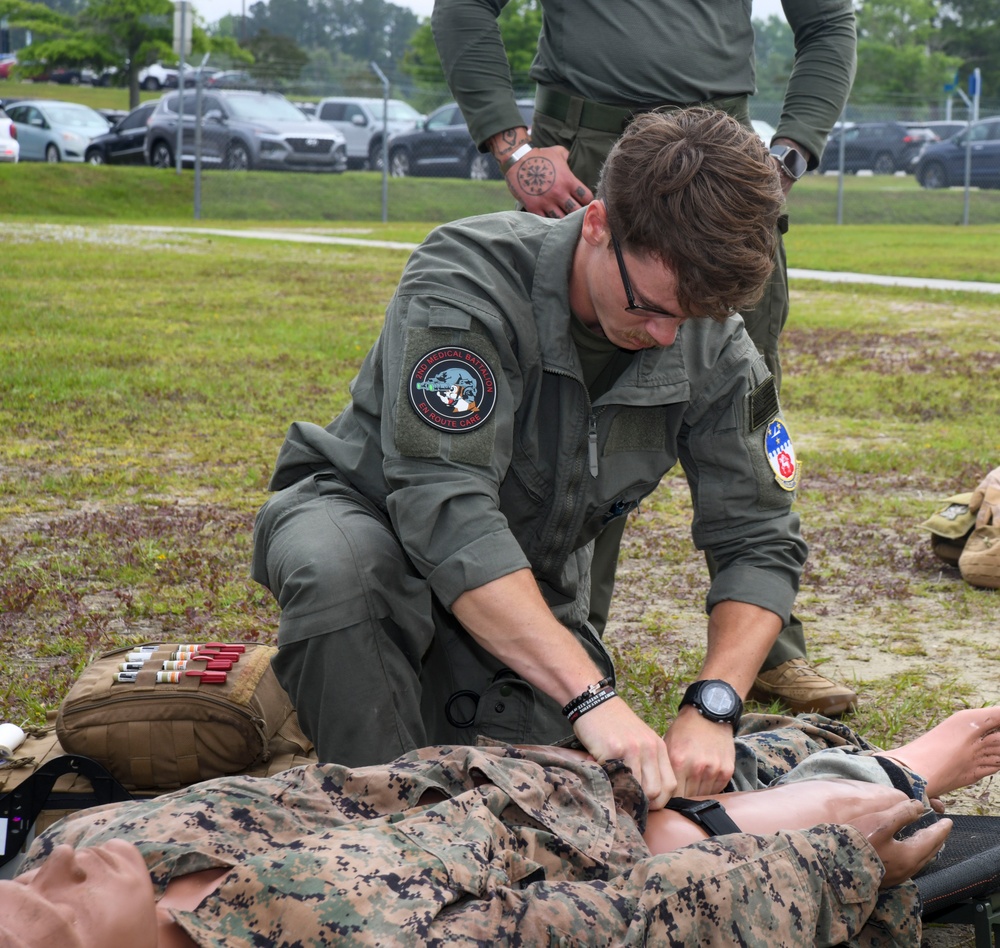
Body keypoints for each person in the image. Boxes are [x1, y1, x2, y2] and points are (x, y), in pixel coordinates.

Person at [252, 107, 799, 807]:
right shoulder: (468, 277)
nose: (668, 338)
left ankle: (335, 709)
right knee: (348, 586)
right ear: (598, 224)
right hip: (368, 518)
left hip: (521, 589)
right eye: (650, 306)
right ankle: (375, 820)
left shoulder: (712, 339)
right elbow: (444, 509)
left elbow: (760, 535)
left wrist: (715, 704)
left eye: (689, 317)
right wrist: (593, 698)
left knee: (545, 798)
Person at [431, 0, 860, 718]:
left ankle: (766, 647)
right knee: (573, 410)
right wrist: (513, 146)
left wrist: (788, 154)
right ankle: (558, 646)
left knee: (740, 404)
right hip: (588, 150)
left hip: (721, 157)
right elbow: (463, 9)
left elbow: (830, 23)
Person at [8, 706, 1000, 947]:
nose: (54, 882)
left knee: (782, 753)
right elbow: (615, 928)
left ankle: (807, 775)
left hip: (562, 795)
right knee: (853, 804)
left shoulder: (96, 851)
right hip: (644, 856)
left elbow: (381, 791)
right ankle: (876, 771)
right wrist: (832, 858)